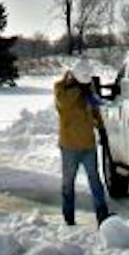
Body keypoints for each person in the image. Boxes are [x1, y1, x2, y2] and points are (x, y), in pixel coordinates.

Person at [52, 68, 111, 225]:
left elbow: (95, 110)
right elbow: (63, 104)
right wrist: (79, 89)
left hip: (88, 144)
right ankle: (68, 216)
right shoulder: (61, 88)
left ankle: (102, 215)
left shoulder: (87, 90)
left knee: (95, 181)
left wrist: (102, 128)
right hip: (69, 145)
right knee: (68, 183)